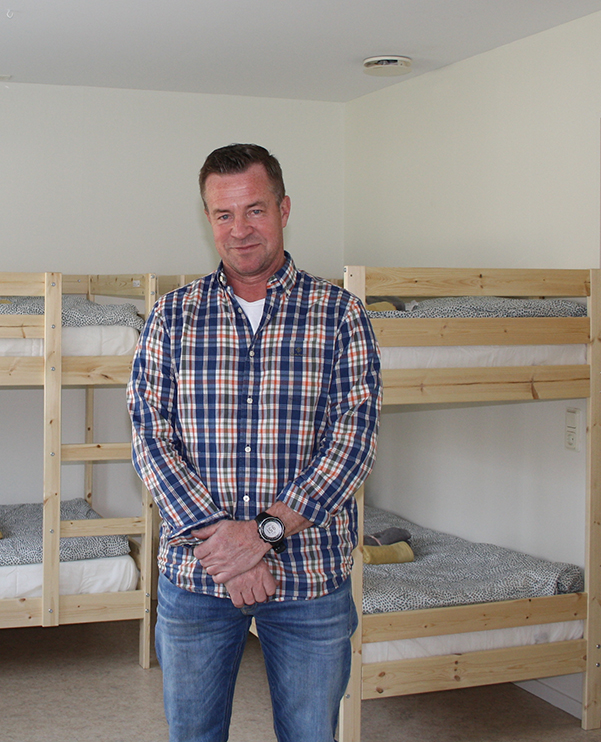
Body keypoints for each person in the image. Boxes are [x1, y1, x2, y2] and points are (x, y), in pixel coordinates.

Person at [127, 143, 382, 742]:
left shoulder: (340, 315)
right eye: (224, 214)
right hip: (198, 575)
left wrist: (262, 534)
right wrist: (226, 543)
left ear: (284, 209)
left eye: (255, 210)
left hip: (310, 576)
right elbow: (150, 435)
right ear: (207, 218)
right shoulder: (171, 317)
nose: (239, 230)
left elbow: (353, 441)